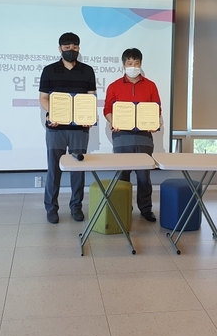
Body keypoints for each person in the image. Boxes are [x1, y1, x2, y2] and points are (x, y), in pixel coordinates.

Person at [39, 32, 97, 224]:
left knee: (78, 170)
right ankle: (51, 208)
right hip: (56, 129)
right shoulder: (49, 70)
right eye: (66, 47)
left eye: (74, 47)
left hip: (79, 129)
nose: (71, 50)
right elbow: (43, 98)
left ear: (78, 48)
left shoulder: (88, 71)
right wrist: (52, 113)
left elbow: (91, 98)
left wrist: (89, 116)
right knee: (54, 169)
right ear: (60, 49)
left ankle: (76, 207)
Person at [103, 48, 160, 222]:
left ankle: (146, 209)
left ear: (140, 64)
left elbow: (157, 108)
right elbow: (107, 109)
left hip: (144, 136)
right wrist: (113, 121)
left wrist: (153, 122)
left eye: (136, 63)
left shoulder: (150, 85)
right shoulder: (114, 86)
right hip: (122, 136)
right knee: (122, 174)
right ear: (123, 65)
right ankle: (123, 207)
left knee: (144, 176)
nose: (133, 66)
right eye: (129, 63)